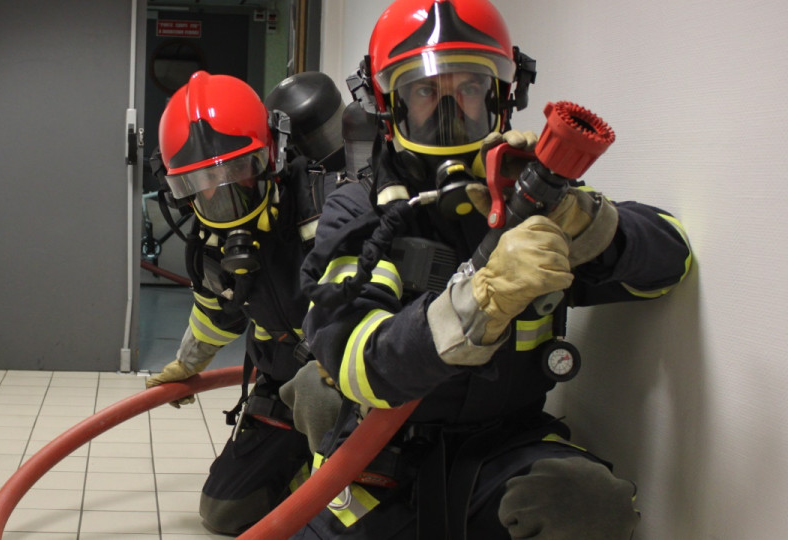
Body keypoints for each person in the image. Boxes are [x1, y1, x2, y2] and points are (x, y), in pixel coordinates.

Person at [295, 0, 692, 539]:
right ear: (389, 104)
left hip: (503, 447)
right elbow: (355, 360)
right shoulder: (359, 210)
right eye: (425, 90)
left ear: (503, 95)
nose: (450, 108)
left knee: (584, 502)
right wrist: (478, 299)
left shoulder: (536, 198)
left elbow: (672, 259)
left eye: (470, 88)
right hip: (379, 454)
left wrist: (581, 221)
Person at [146, 70, 346, 535]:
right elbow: (217, 312)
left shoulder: (325, 207)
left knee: (340, 511)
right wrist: (186, 363)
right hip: (279, 385)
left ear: (269, 158)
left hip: (346, 389)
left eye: (237, 169)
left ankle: (342, 487)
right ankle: (302, 476)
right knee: (225, 512)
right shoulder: (211, 244)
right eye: (203, 182)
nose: (224, 195)